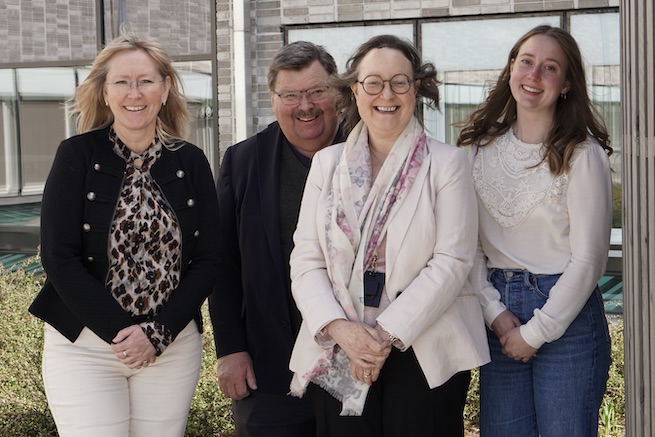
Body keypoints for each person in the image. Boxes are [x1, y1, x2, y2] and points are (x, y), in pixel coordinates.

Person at [288, 34, 490, 437]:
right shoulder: (327, 165)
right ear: (355, 90)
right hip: (341, 344)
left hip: (422, 345)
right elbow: (305, 259)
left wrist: (380, 338)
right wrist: (343, 332)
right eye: (373, 82)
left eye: (400, 82)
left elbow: (453, 261)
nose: (387, 94)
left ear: (416, 89)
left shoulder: (448, 164)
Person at [28, 34, 220, 437]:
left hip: (170, 347)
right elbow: (59, 258)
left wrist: (157, 334)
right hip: (85, 348)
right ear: (104, 91)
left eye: (146, 81)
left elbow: (208, 259)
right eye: (122, 82)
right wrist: (123, 332)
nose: (135, 93)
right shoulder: (75, 155)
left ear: (165, 89)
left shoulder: (191, 160)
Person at [457, 25, 613, 437]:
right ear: (511, 68)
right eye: (526, 62)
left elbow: (589, 260)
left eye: (550, 68)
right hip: (499, 312)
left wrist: (537, 331)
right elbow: (468, 248)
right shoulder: (476, 149)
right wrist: (495, 314)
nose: (534, 75)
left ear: (565, 85)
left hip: (568, 318)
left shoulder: (582, 154)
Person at [207, 41, 343, 436]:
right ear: (273, 99)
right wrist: (230, 349)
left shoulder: (369, 150)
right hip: (270, 369)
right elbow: (222, 264)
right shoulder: (243, 161)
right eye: (291, 95)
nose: (306, 106)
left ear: (337, 91)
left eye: (317, 91)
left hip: (357, 365)